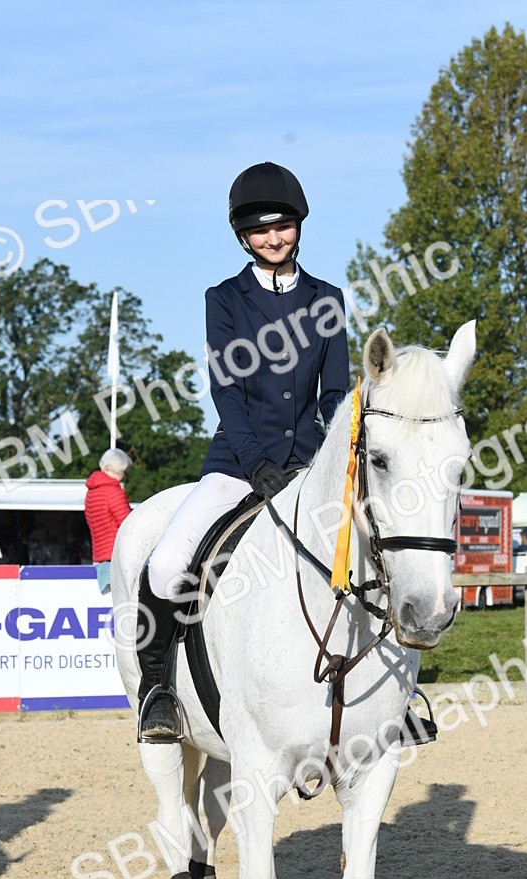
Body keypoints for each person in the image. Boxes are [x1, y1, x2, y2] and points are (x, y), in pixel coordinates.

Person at [137, 162, 350, 741]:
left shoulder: (327, 299)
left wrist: (320, 461)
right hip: (238, 464)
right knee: (166, 559)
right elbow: (225, 390)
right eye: (260, 231)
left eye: (281, 226)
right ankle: (156, 690)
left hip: (311, 467)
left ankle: (389, 701)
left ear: (298, 226)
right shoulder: (224, 299)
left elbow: (334, 393)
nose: (273, 238)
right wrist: (256, 464)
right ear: (243, 237)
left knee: (371, 553)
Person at [85, 448, 133, 594]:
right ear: (120, 469)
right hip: (116, 557)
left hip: (100, 556)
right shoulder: (113, 492)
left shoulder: (92, 491)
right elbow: (128, 525)